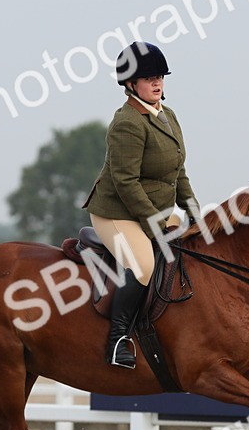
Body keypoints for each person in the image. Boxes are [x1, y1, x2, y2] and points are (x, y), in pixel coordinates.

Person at [82, 42, 200, 368]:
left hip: (154, 211)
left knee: (196, 246)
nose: (157, 83)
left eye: (160, 76)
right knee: (144, 265)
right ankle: (118, 339)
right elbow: (126, 183)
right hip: (117, 213)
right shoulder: (127, 123)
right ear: (131, 84)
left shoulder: (167, 115)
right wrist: (157, 224)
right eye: (149, 78)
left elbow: (178, 173)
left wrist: (193, 211)